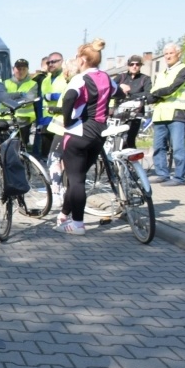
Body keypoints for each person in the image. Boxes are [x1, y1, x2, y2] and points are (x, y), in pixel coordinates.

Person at [55, 39, 126, 236]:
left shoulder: (81, 78)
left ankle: (77, 224)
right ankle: (64, 214)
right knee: (78, 177)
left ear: (82, 60)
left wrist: (68, 120)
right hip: (99, 133)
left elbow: (69, 97)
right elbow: (119, 93)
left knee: (76, 180)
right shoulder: (106, 77)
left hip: (79, 132)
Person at [147, 43, 185, 186]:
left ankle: (179, 177)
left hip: (177, 113)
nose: (168, 56)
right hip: (160, 114)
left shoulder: (184, 69)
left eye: (171, 53)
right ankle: (162, 174)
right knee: (159, 146)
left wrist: (157, 94)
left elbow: (171, 89)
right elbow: (151, 94)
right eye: (166, 54)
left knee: (178, 147)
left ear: (179, 54)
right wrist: (156, 95)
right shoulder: (161, 74)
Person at [45, 58, 79, 205]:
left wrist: (55, 109)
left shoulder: (72, 84)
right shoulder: (77, 82)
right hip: (72, 129)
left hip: (63, 128)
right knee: (66, 161)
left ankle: (56, 193)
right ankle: (65, 193)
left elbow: (69, 105)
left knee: (54, 159)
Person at [110, 55, 152, 149]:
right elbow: (109, 87)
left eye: (137, 64)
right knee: (115, 140)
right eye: (132, 64)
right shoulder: (121, 77)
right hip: (118, 114)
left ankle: (131, 157)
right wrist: (120, 87)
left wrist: (129, 95)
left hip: (135, 115)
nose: (134, 66)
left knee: (129, 140)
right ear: (128, 65)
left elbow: (148, 93)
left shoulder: (145, 79)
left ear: (140, 65)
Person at [0, 58, 38, 147]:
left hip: (23, 123)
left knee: (21, 149)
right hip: (5, 121)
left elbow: (29, 100)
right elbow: (0, 97)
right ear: (13, 69)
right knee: (3, 148)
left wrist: (8, 98)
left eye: (24, 69)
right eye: (18, 69)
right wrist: (19, 94)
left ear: (27, 70)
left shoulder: (33, 84)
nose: (21, 71)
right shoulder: (5, 83)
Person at [38, 52, 66, 159]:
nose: (50, 64)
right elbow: (43, 100)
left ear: (61, 61)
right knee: (46, 155)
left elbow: (70, 95)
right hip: (46, 120)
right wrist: (40, 121)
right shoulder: (45, 80)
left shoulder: (66, 77)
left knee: (59, 154)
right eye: (48, 62)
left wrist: (54, 96)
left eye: (54, 62)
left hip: (61, 119)